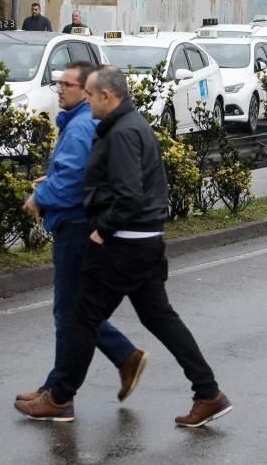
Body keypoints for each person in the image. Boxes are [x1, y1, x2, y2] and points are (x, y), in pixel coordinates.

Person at [15, 66, 231, 427]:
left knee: (82, 315)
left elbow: (129, 194)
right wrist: (53, 180)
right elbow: (112, 181)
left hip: (125, 244)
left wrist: (102, 230)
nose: (85, 100)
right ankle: (208, 393)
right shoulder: (126, 126)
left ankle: (60, 398)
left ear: (106, 97)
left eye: (89, 95)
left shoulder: (123, 133)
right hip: (144, 243)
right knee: (160, 319)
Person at [16, 61, 147, 409]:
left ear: (86, 90)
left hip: (75, 226)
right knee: (75, 310)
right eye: (58, 83)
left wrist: (39, 197)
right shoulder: (78, 123)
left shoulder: (78, 127)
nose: (60, 89)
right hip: (79, 224)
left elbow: (72, 180)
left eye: (68, 85)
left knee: (71, 313)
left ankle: (63, 394)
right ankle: (61, 384)